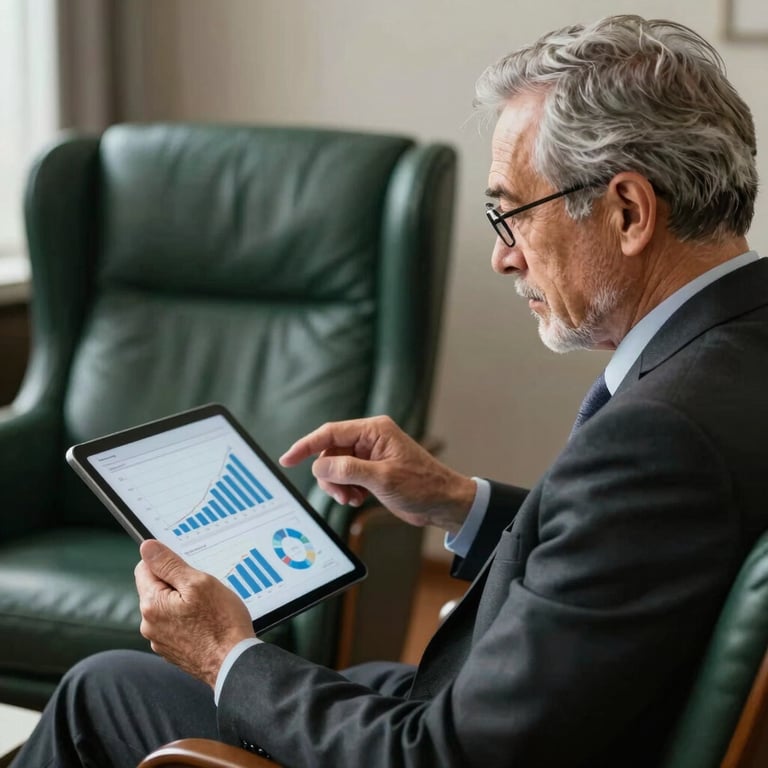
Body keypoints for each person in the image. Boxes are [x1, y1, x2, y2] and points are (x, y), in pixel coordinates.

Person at [12, 13, 768, 768]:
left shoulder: (659, 438)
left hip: (453, 738)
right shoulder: (737, 351)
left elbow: (443, 757)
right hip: (532, 709)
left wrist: (226, 653)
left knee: (100, 691)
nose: (503, 257)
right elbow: (617, 562)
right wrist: (456, 501)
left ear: (628, 211)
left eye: (511, 212)